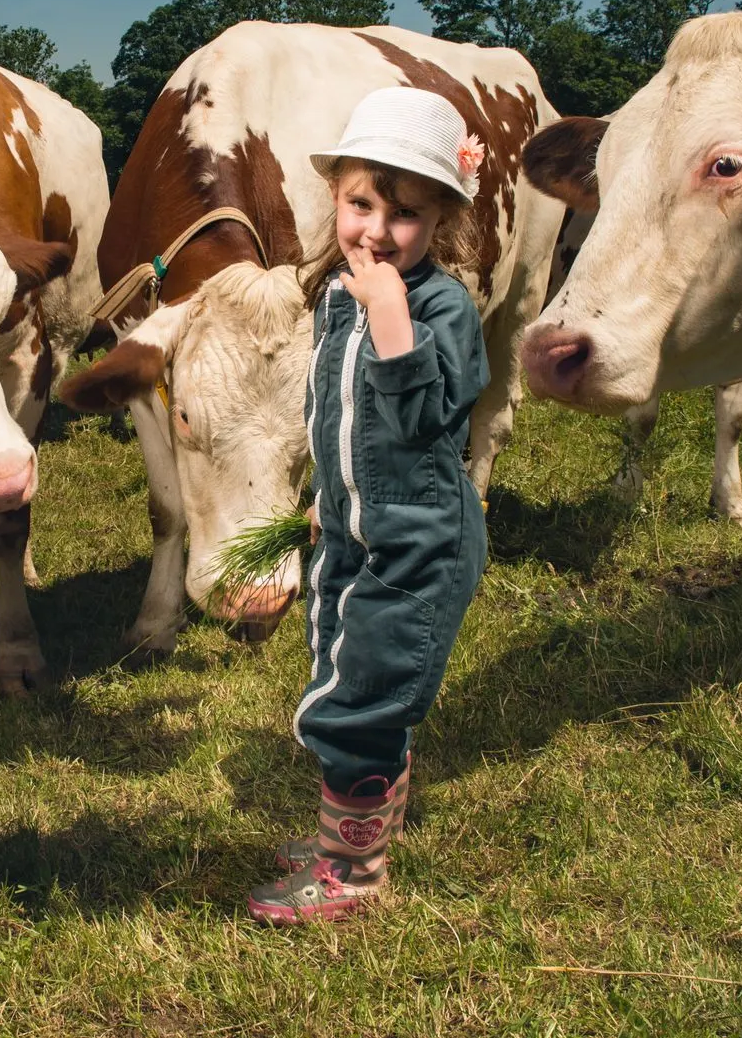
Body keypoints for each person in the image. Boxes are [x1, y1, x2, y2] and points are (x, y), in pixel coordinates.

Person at [248, 86, 490, 925]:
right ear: (336, 198)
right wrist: (327, 495)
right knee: (341, 663)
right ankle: (351, 830)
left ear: (443, 220)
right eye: (361, 204)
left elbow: (429, 424)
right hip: (353, 526)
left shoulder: (441, 308)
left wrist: (394, 321)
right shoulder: (337, 296)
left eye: (407, 214)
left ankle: (351, 874)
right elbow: (335, 416)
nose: (378, 232)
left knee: (369, 697)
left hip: (418, 540)